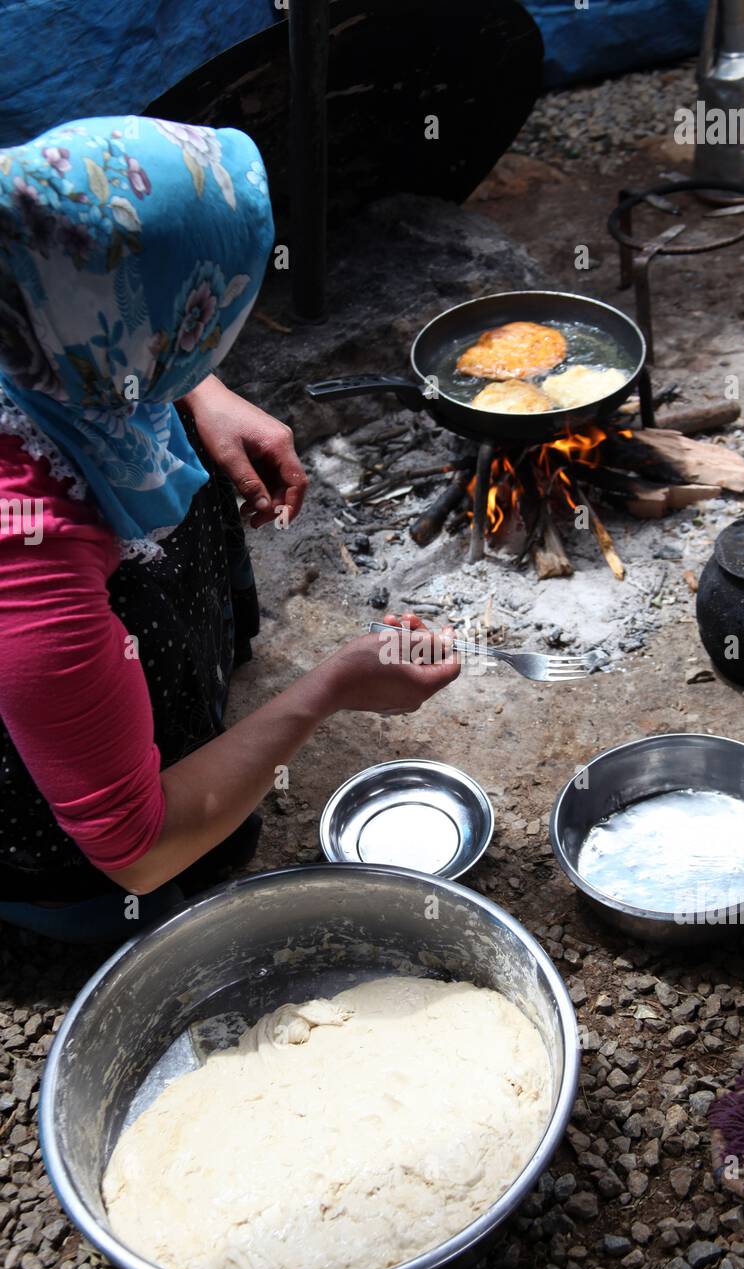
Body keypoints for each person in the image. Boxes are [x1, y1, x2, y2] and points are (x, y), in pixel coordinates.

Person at [0, 115, 458, 944]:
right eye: (204, 318)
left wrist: (195, 388)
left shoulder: (26, 279)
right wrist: (330, 689)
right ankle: (51, 901)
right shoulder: (28, 555)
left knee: (195, 462)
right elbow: (133, 851)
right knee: (130, 874)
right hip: (74, 848)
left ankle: (185, 716)